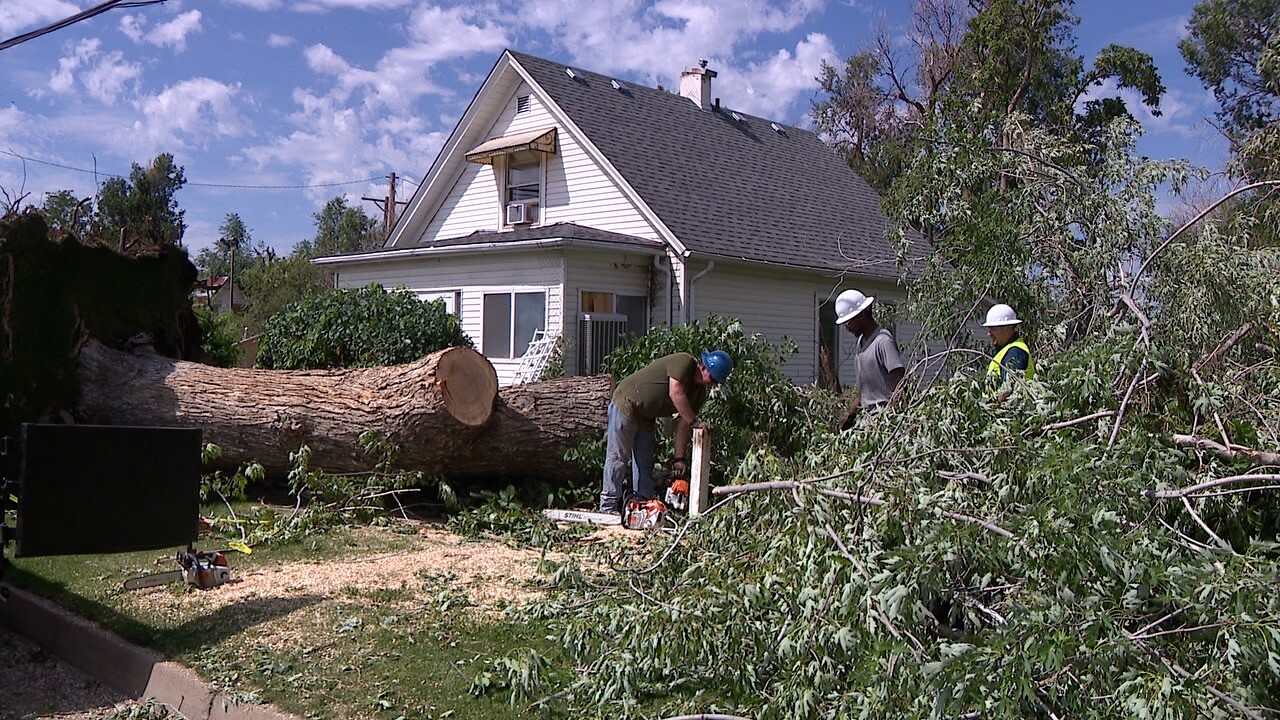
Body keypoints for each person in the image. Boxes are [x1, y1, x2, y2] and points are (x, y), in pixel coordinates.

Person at [598, 350, 733, 513]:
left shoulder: (698, 394)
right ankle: (608, 506)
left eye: (717, 382)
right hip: (627, 403)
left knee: (645, 462)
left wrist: (679, 459)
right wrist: (696, 421)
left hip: (647, 416)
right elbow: (675, 392)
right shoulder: (684, 362)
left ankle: (644, 506)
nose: (713, 384)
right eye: (713, 378)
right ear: (704, 368)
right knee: (618, 457)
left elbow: (684, 425)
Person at [835, 288, 905, 429]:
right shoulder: (861, 344)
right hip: (868, 421)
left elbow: (901, 383)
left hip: (886, 421)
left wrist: (891, 417)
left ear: (861, 316)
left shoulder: (883, 342)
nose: (846, 328)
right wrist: (849, 416)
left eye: (848, 322)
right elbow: (864, 392)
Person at [983, 303, 1034, 389]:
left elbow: (1009, 391)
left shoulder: (1015, 352)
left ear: (1008, 327)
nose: (989, 333)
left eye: (993, 328)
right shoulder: (1006, 349)